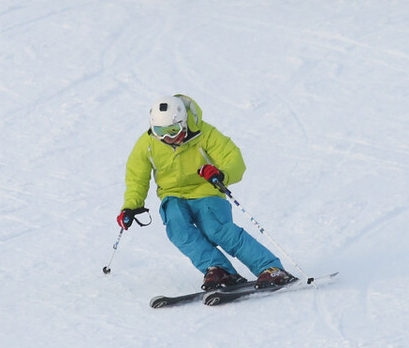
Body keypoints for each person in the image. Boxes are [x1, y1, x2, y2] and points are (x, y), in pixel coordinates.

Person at [117, 94, 296, 290]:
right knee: (177, 228)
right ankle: (219, 270)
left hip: (206, 191)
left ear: (183, 123)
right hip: (173, 195)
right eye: (160, 131)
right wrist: (131, 206)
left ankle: (270, 268)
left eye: (173, 130)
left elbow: (234, 159)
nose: (167, 138)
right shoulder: (148, 144)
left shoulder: (206, 134)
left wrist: (221, 174)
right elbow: (136, 178)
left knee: (216, 229)